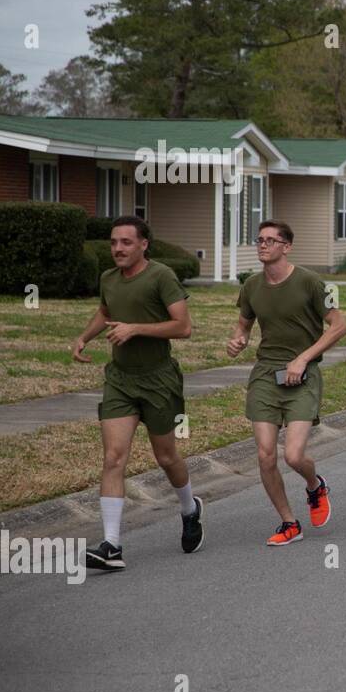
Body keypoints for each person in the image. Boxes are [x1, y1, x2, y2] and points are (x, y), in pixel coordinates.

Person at [74, 216, 202, 570]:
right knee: (114, 457)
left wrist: (136, 329)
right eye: (114, 242)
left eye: (126, 242)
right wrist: (85, 337)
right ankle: (112, 545)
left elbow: (184, 327)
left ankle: (190, 509)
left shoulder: (161, 276)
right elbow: (105, 312)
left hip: (159, 379)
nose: (117, 248)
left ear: (144, 244)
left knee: (166, 457)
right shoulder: (108, 279)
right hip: (120, 379)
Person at [228, 220, 346, 546]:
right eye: (260, 240)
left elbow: (339, 326)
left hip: (303, 375)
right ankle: (288, 522)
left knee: (294, 456)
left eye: (270, 240)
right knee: (266, 456)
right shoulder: (252, 285)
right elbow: (243, 325)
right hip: (267, 374)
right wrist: (238, 340)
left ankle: (315, 486)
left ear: (286, 246)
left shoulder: (309, 282)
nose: (263, 245)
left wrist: (303, 358)